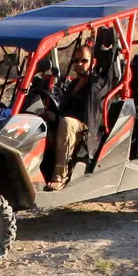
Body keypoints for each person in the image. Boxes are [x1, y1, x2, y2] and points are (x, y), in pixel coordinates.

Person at [46, 44, 93, 190]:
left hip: (85, 123)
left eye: (84, 61)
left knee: (67, 122)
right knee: (40, 118)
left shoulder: (96, 84)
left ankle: (61, 174)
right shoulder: (73, 84)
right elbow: (64, 107)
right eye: (76, 60)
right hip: (70, 118)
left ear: (93, 61)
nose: (79, 64)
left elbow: (91, 112)